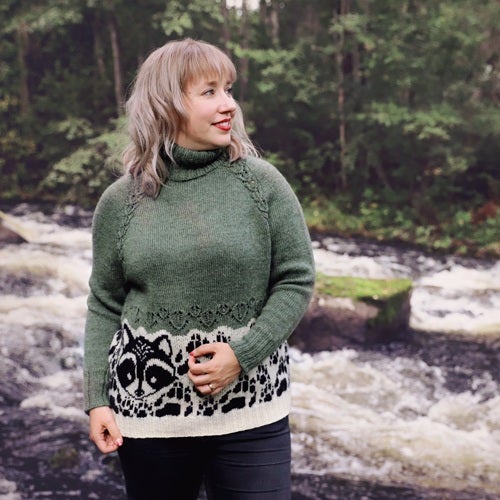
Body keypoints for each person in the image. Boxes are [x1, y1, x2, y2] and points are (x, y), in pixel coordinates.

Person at [84, 38, 315, 500]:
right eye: (209, 92)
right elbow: (104, 303)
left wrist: (243, 355)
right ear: (165, 104)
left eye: (228, 89)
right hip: (149, 420)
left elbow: (296, 279)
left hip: (253, 410)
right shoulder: (121, 201)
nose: (228, 104)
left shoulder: (263, 184)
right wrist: (96, 400)